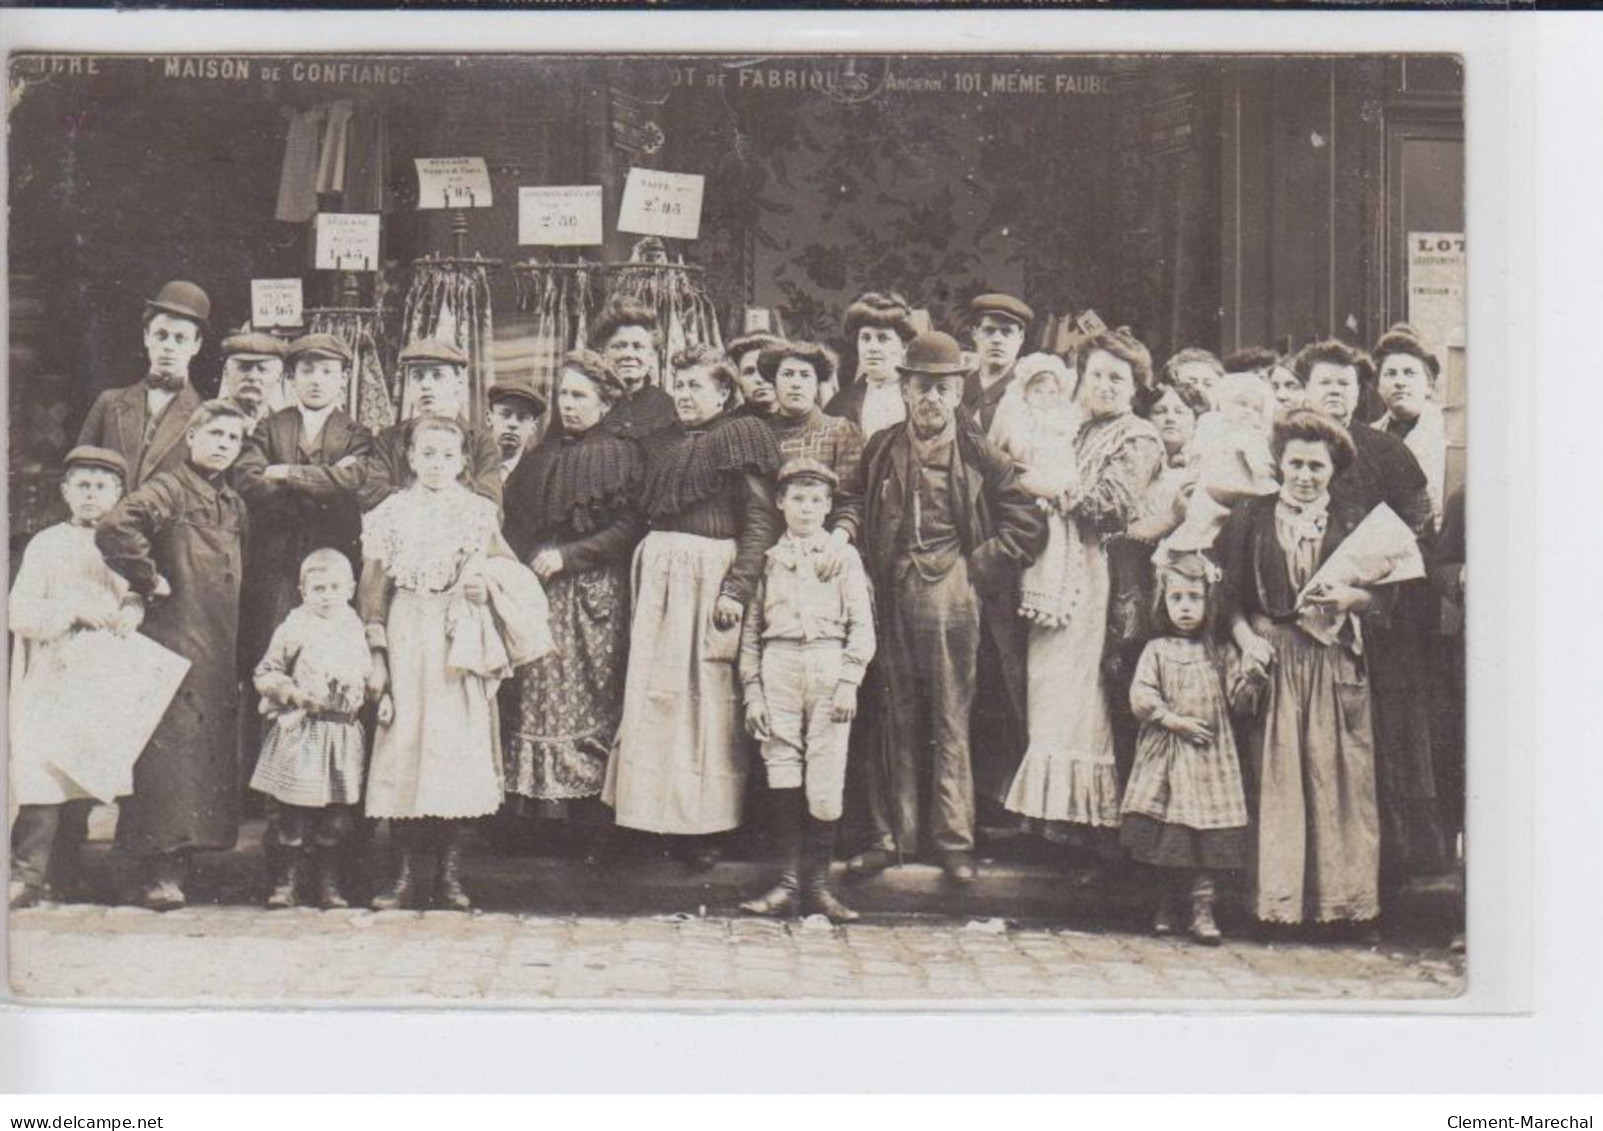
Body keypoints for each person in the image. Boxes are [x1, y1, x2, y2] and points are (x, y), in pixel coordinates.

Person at [847, 331, 1047, 883]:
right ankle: (893, 838)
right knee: (894, 713)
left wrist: (976, 567)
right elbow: (850, 498)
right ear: (905, 390)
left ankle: (954, 841)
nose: (931, 398)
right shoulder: (884, 446)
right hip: (892, 590)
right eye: (921, 387)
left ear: (959, 394)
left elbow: (1027, 522)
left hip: (953, 591)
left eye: (942, 388)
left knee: (951, 715)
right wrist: (848, 539)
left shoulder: (979, 451)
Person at [603, 345, 782, 867]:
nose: (683, 395)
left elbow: (760, 521)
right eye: (678, 385)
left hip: (710, 581)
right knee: (653, 698)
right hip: (659, 578)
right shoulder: (660, 444)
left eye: (696, 386)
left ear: (724, 392)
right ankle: (647, 819)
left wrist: (736, 589)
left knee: (707, 703)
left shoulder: (741, 437)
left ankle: (705, 827)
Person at [1214, 409, 1381, 929]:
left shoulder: (1356, 521)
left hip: (1332, 663)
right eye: (1296, 464)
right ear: (1279, 464)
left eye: (1317, 467)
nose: (1305, 476)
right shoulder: (1252, 516)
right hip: (1274, 661)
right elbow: (1228, 598)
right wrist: (1246, 644)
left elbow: (1392, 596)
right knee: (1277, 779)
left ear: (1334, 471)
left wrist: (1357, 596)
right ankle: (1274, 907)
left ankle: (1341, 908)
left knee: (1338, 781)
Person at [1001, 328, 1163, 860]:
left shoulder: (1138, 437)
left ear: (1136, 386)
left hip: (1105, 575)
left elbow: (1111, 503)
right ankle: (1051, 825)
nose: (1106, 386)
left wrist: (1042, 487)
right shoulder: (1075, 431)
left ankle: (1092, 835)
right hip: (1059, 573)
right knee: (1050, 691)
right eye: (1096, 375)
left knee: (1084, 695)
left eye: (1118, 378)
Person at [1294, 339, 1447, 888]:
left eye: (1345, 383)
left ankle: (1391, 867)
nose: (1334, 391)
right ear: (1305, 389)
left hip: (1382, 621)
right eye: (1324, 382)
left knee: (1386, 737)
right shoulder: (1285, 447)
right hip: (1304, 625)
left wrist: (1376, 593)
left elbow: (1420, 529)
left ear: (1361, 393)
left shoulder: (1386, 451)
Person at [359, 417, 529, 911]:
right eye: (427, 454)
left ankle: (450, 876)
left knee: (452, 751)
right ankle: (406, 874)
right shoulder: (389, 513)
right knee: (407, 746)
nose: (436, 464)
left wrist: (485, 586)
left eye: (447, 456)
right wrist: (377, 652)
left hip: (459, 635)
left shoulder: (477, 513)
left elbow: (508, 570)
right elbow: (373, 587)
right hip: (408, 628)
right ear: (411, 457)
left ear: (462, 463)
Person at [97, 400, 250, 910]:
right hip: (177, 641)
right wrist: (148, 578)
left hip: (218, 644)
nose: (224, 445)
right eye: (216, 435)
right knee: (171, 757)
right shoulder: (169, 487)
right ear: (192, 436)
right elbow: (116, 526)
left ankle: (190, 865)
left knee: (204, 757)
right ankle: (160, 872)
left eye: (234, 438)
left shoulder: (232, 501)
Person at [502, 351, 645, 834]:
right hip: (542, 594)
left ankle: (587, 818)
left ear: (605, 403)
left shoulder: (620, 453)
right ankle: (539, 817)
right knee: (536, 693)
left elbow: (627, 527)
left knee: (591, 693)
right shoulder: (540, 456)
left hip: (593, 595)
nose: (569, 404)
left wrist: (570, 556)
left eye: (580, 395)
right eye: (563, 394)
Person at [738, 458, 876, 924]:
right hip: (779, 663)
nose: (807, 508)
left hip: (827, 663)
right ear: (779, 503)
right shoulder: (770, 559)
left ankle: (818, 887)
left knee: (825, 776)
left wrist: (849, 681)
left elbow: (862, 627)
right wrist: (753, 691)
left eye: (817, 499)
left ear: (829, 506)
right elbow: (752, 631)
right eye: (797, 498)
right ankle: (788, 885)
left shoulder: (843, 558)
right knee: (781, 767)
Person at [8, 447, 142, 910]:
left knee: (85, 771)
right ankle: (26, 874)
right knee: (43, 772)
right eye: (82, 486)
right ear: (65, 492)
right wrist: (69, 611)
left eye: (102, 486)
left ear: (119, 494)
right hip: (54, 673)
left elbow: (144, 592)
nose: (91, 495)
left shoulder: (128, 544)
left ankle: (68, 874)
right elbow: (19, 612)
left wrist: (133, 609)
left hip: (102, 677)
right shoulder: (47, 544)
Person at [234, 333, 375, 707]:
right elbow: (249, 479)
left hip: (332, 567)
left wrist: (284, 473)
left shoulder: (356, 433)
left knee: (331, 663)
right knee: (274, 656)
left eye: (327, 371)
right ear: (291, 378)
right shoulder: (271, 427)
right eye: (306, 371)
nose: (316, 380)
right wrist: (325, 478)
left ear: (342, 379)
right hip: (277, 565)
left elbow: (353, 481)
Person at [1120, 553, 1252, 945]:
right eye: (1176, 598)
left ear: (1209, 603)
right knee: (1170, 838)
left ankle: (1203, 908)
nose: (1185, 607)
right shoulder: (1157, 650)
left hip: (1211, 760)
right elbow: (1140, 696)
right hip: (1168, 756)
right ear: (1164, 602)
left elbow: (1239, 701)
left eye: (1194, 598)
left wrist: (1250, 681)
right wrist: (1171, 720)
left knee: (1206, 840)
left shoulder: (1220, 651)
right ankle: (1166, 904)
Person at [248, 549, 373, 910]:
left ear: (349, 589)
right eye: (318, 588)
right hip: (303, 731)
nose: (327, 595)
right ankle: (286, 881)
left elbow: (365, 673)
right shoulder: (293, 627)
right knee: (292, 811)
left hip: (340, 733)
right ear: (303, 591)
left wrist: (358, 690)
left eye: (335, 587)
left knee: (336, 816)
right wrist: (293, 693)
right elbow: (265, 673)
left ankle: (328, 882)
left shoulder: (354, 627)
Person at [77, 280, 210, 490]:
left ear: (196, 345)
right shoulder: (109, 403)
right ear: (147, 337)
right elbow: (79, 471)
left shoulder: (205, 414)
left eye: (180, 339)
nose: (168, 347)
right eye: (161, 335)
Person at [357, 338, 503, 512]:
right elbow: (372, 495)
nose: (426, 385)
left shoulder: (480, 443)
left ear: (459, 383)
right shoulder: (388, 439)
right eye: (417, 376)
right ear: (409, 384)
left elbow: (489, 504)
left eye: (437, 375)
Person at [757, 339, 866, 556]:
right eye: (787, 374)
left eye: (805, 375)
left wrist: (835, 545)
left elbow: (852, 501)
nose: (796, 383)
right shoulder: (757, 435)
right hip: (770, 552)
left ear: (817, 384)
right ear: (774, 382)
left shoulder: (841, 431)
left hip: (828, 549)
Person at [1164, 372, 1278, 553]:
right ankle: (1191, 544)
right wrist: (1187, 458)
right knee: (1200, 512)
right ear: (1226, 403)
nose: (1248, 411)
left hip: (1242, 482)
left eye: (1256, 409)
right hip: (1211, 478)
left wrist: (1257, 464)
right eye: (1242, 404)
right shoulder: (1212, 424)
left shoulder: (1254, 437)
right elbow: (1196, 450)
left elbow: (1261, 464)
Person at [1370, 323, 1447, 532]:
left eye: (1409, 373)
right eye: (1391, 374)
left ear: (1429, 386)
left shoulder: (1449, 433)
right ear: (1378, 386)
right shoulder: (1369, 436)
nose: (1400, 382)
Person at [824, 290, 917, 442]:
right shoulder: (840, 404)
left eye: (882, 338)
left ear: (904, 346)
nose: (872, 347)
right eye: (865, 338)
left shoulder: (921, 397)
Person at [588, 300, 678, 443]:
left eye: (638, 347)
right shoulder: (583, 400)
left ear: (651, 356)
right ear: (602, 353)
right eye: (619, 346)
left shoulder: (666, 407)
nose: (629, 354)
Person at [962, 292, 1033, 435]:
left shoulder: (1030, 390)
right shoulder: (962, 386)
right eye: (989, 331)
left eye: (1006, 332)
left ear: (1020, 337)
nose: (997, 340)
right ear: (975, 334)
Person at [218, 329, 289, 433]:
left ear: (279, 378)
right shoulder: (204, 421)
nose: (252, 376)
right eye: (244, 368)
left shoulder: (285, 431)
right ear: (226, 373)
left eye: (263, 370)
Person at [486, 377, 546, 483]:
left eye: (522, 418)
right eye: (505, 414)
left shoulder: (541, 475)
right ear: (489, 418)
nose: (513, 424)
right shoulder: (472, 466)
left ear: (533, 427)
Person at [725, 331, 784, 419]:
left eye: (767, 369)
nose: (759, 379)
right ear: (739, 381)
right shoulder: (730, 427)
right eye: (749, 372)